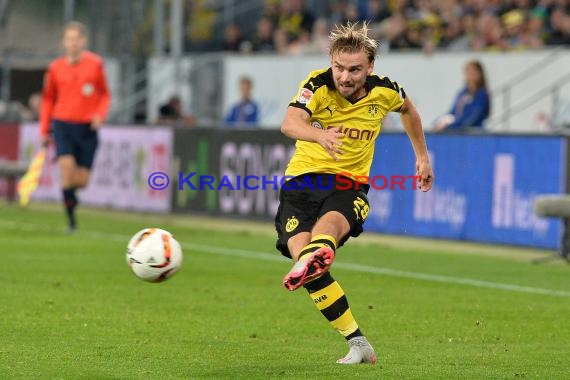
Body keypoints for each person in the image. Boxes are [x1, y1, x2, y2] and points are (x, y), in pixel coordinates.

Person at [275, 22, 433, 365]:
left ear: (370, 67)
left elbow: (409, 110)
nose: (345, 77)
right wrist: (320, 136)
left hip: (349, 184)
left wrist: (422, 156)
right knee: (306, 262)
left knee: (327, 228)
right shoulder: (316, 84)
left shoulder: (384, 90)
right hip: (302, 182)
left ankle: (319, 252)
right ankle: (359, 344)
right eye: (339, 68)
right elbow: (289, 123)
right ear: (331, 63)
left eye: (355, 70)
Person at [39, 21, 111, 232]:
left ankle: (70, 197)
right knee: (66, 169)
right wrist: (44, 129)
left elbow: (105, 95)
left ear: (84, 41)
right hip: (63, 125)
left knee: (81, 181)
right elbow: (47, 100)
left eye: (77, 39)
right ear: (64, 42)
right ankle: (71, 221)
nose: (73, 43)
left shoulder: (95, 65)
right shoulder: (54, 69)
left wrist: (100, 115)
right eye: (69, 39)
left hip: (88, 128)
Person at [435, 60, 490, 131]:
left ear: (479, 74)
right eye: (467, 72)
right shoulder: (462, 93)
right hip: (458, 131)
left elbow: (472, 117)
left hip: (474, 134)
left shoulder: (482, 95)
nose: (469, 75)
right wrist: (439, 122)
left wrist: (451, 126)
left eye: (472, 72)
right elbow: (452, 112)